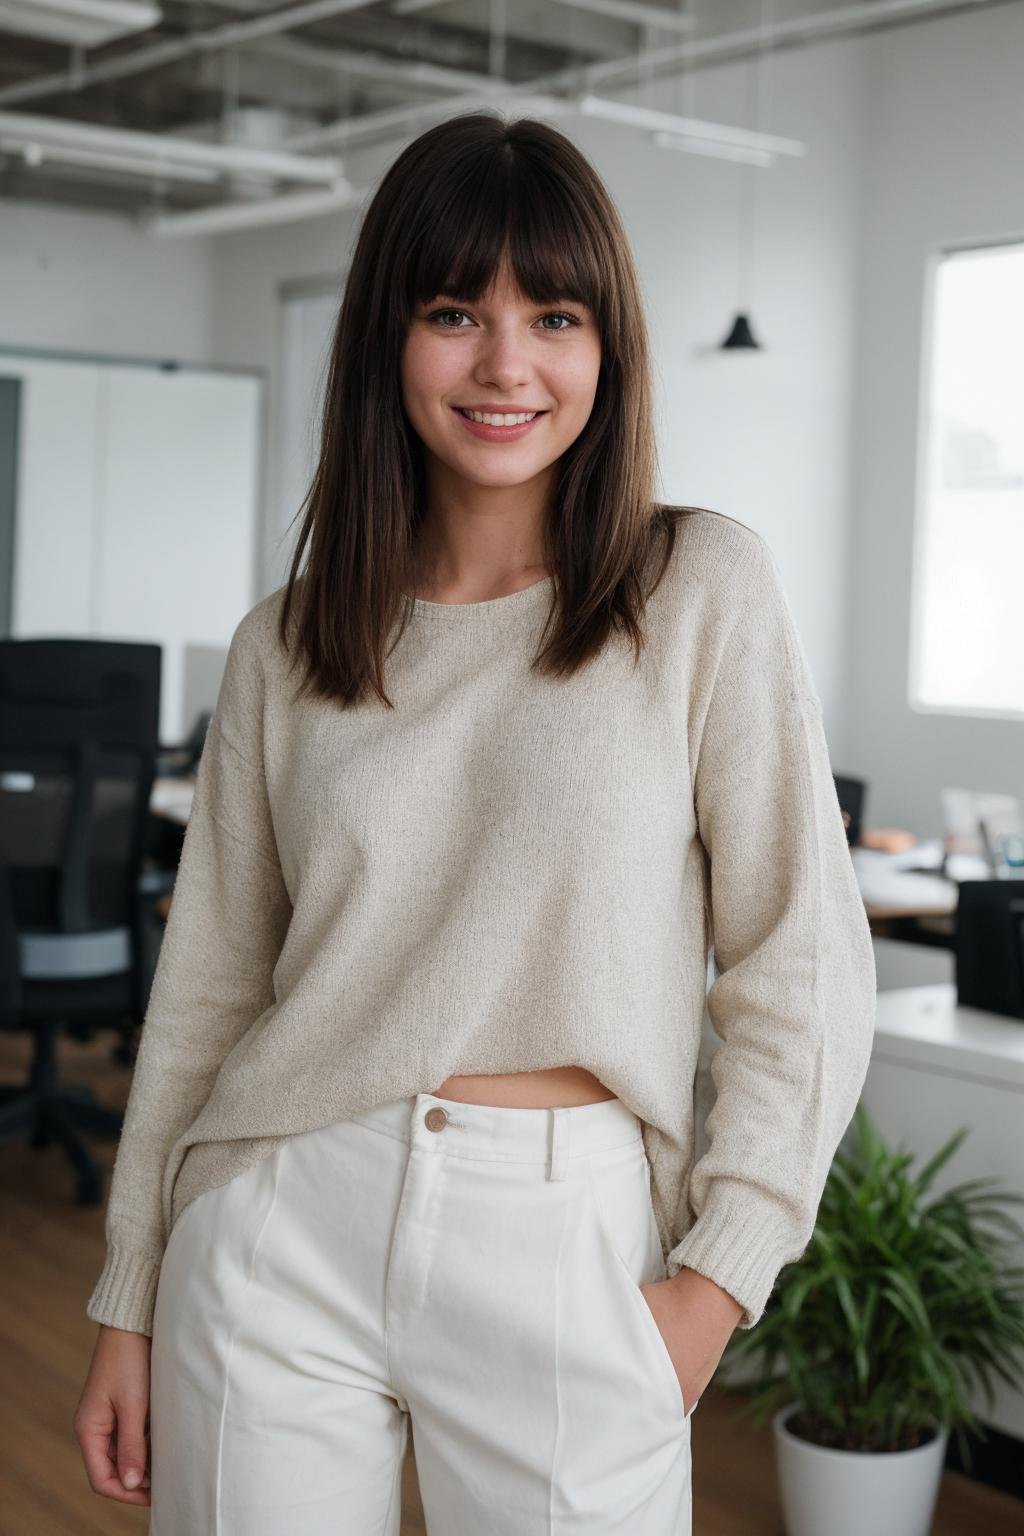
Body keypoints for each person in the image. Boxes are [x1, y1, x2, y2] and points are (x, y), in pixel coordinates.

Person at [72, 112, 877, 1534]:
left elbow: (800, 961)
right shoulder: (288, 644)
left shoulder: (700, 591)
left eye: (553, 316)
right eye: (455, 312)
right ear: (388, 336)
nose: (507, 364)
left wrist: (713, 1288)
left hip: (568, 1244)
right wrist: (134, 1292)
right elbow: (200, 996)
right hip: (277, 1221)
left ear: (605, 347)